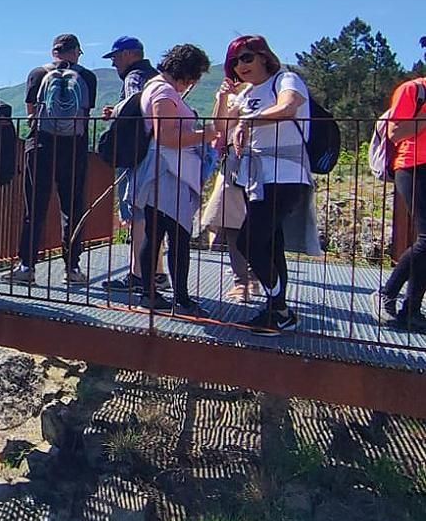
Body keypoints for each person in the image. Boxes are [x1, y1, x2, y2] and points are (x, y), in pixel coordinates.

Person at [225, 35, 313, 335]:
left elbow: (287, 108)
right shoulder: (248, 91)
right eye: (235, 61)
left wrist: (248, 122)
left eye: (247, 57)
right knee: (271, 244)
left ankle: (280, 308)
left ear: (263, 56)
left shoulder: (286, 79)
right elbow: (228, 124)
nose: (241, 65)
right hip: (257, 178)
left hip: (286, 175)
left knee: (248, 241)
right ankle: (277, 311)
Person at [133, 44, 216, 316]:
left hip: (164, 170)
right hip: (169, 171)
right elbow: (166, 137)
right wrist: (206, 134)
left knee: (156, 233)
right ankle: (177, 296)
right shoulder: (164, 91)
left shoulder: (156, 87)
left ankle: (152, 293)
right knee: (176, 236)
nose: (194, 82)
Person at [9, 33, 98, 285]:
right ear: (76, 51)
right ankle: (72, 268)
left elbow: (30, 115)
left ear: (54, 52)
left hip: (40, 146)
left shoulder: (37, 74)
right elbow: (83, 116)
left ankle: (26, 266)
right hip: (74, 149)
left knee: (34, 208)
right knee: (72, 209)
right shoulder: (87, 77)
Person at [97, 36, 167, 294]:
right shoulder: (156, 76)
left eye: (115, 57)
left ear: (128, 54)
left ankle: (137, 274)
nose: (114, 64)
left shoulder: (134, 77)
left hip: (137, 152)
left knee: (136, 213)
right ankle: (157, 272)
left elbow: (135, 106)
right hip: (158, 150)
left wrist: (115, 112)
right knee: (151, 214)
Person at [373, 69, 426, 331]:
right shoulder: (414, 90)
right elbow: (395, 133)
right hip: (414, 167)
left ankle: (411, 310)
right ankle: (387, 294)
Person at [200, 78, 259, 302]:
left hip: (243, 164)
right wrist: (224, 98)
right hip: (240, 165)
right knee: (235, 223)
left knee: (241, 224)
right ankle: (245, 280)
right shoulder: (241, 97)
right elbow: (220, 126)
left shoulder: (263, 91)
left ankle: (245, 280)